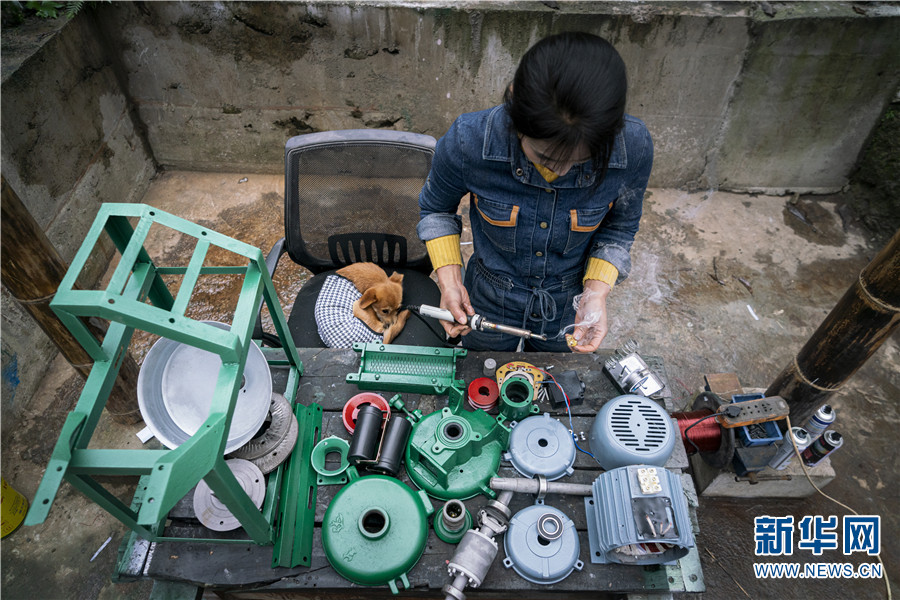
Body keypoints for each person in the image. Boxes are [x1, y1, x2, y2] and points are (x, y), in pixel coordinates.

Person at [417, 31, 653, 353]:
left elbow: (619, 229)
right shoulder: (468, 140)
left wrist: (595, 293)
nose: (561, 172)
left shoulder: (633, 149)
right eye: (544, 157)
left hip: (565, 307)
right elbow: (436, 210)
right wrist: (450, 281)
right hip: (486, 298)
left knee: (553, 384)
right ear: (515, 108)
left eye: (582, 160)